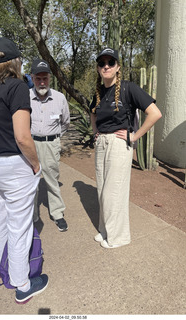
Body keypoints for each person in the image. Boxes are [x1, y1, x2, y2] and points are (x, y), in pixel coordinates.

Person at [0, 36, 48, 304]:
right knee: (20, 225)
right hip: (13, 165)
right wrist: (36, 163)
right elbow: (22, 137)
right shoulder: (17, 87)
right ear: (15, 61)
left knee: (0, 214)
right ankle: (22, 283)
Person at [90, 47, 162, 249]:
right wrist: (95, 131)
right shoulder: (98, 92)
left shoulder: (129, 88)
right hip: (102, 143)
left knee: (114, 193)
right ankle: (105, 230)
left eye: (110, 63)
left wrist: (134, 136)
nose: (106, 66)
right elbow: (92, 113)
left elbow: (155, 113)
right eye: (102, 63)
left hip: (119, 145)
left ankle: (118, 237)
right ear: (98, 68)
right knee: (103, 190)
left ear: (117, 67)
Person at [30, 58, 70, 231]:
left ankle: (57, 213)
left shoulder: (59, 98)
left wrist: (54, 138)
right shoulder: (25, 97)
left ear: (50, 78)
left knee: (52, 179)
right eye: (38, 78)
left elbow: (65, 122)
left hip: (50, 144)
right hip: (30, 144)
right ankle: (32, 216)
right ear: (32, 78)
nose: (42, 82)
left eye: (45, 78)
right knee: (31, 181)